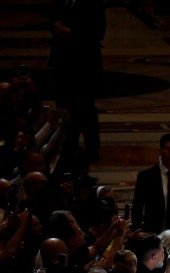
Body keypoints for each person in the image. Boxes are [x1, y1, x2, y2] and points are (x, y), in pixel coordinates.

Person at [48, 0, 105, 161]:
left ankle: (92, 147)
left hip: (85, 60)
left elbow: (98, 32)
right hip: (62, 58)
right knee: (63, 103)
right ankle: (67, 143)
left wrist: (71, 32)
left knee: (85, 105)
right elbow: (52, 17)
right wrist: (55, 26)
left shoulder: (94, 3)